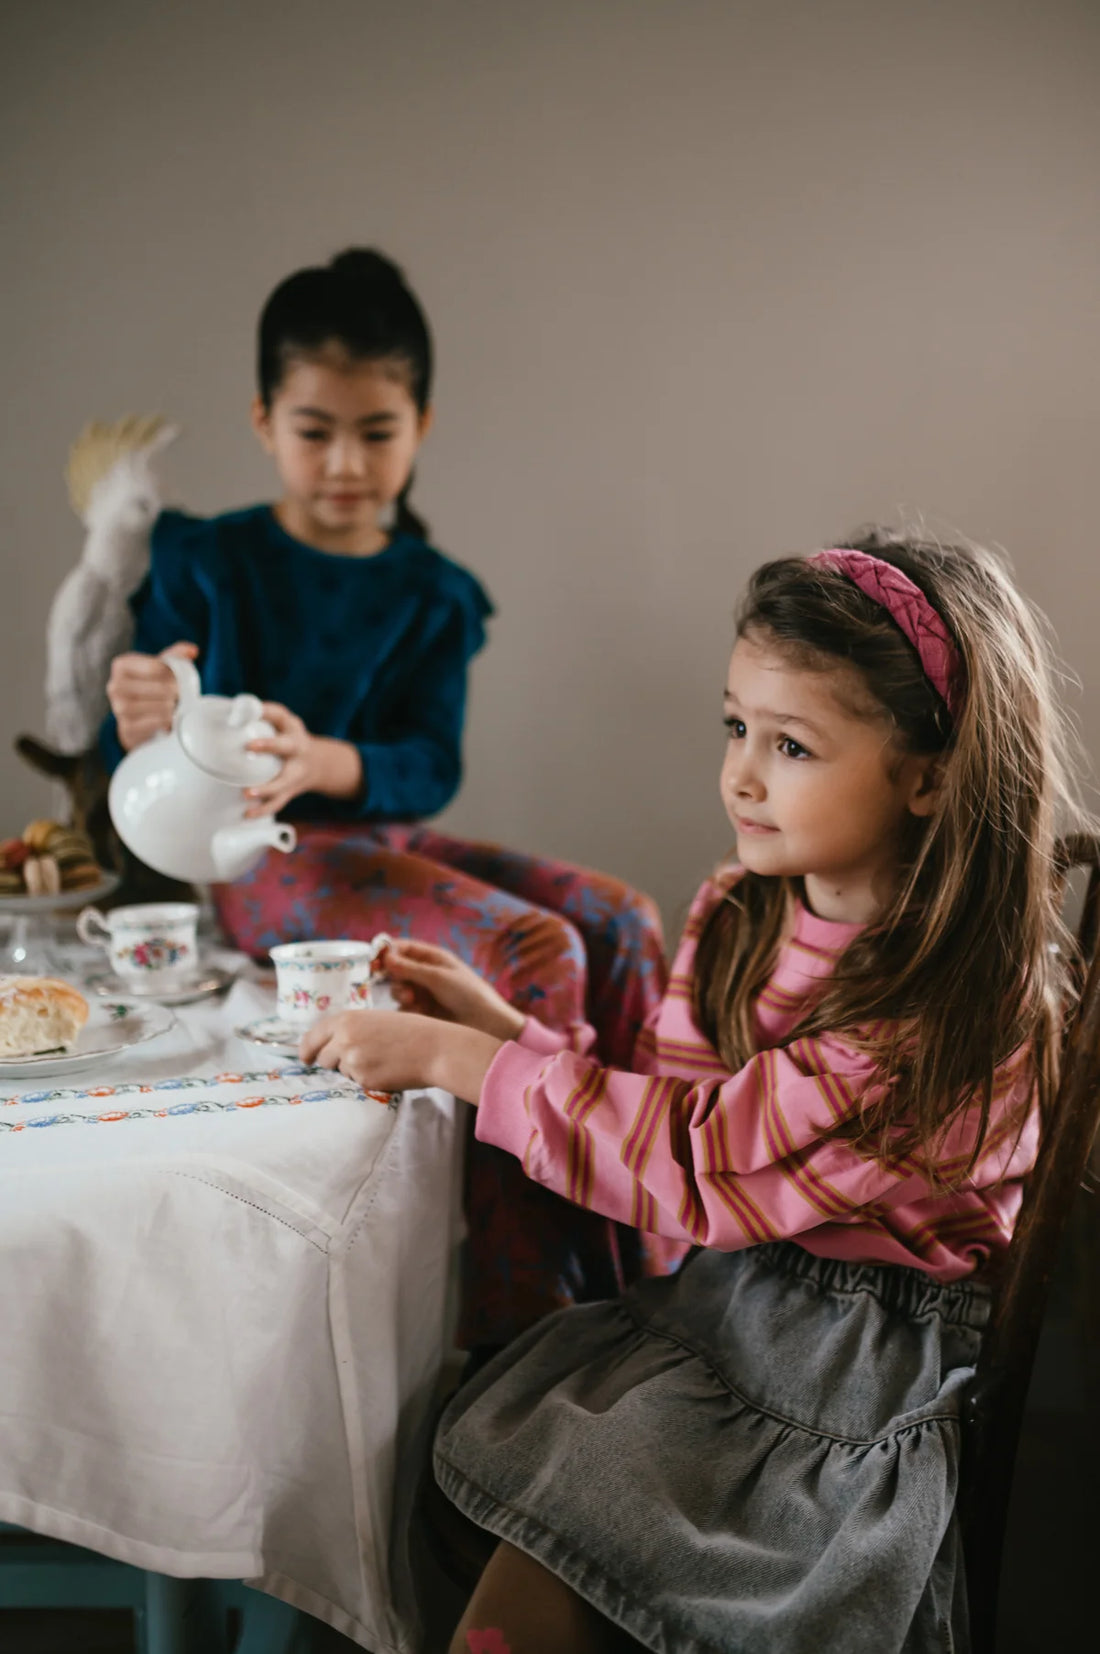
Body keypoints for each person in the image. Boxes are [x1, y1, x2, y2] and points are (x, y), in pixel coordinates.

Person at [299, 528, 1085, 1653]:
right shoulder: (740, 912)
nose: (740, 774)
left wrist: (461, 1065)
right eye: (734, 726)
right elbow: (680, 1130)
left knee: (583, 1543)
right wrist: (504, 1029)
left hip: (846, 1371)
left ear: (926, 773)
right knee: (533, 1552)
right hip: (723, 1305)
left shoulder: (936, 1013)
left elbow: (700, 1163)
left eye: (792, 745)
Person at [99, 248, 669, 1350]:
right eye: (316, 430)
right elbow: (145, 711)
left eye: (377, 429)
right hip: (265, 861)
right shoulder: (208, 563)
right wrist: (139, 702)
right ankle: (524, 1326)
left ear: (421, 423)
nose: (347, 461)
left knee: (622, 917)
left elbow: (427, 763)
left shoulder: (430, 593)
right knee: (538, 950)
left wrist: (332, 761)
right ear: (264, 420)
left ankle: (636, 1256)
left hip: (379, 836)